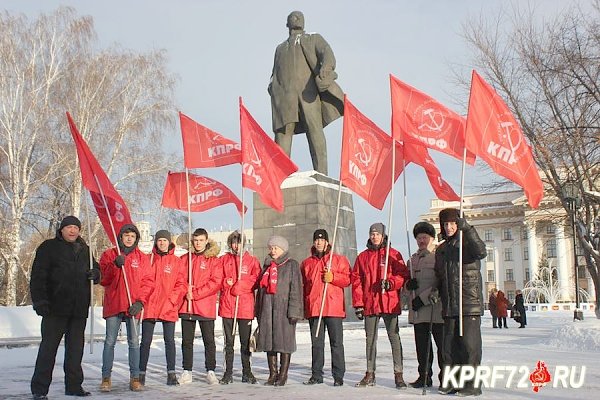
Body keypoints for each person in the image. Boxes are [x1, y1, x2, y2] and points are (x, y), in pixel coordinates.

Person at [30, 216, 100, 400]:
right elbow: (38, 276)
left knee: (75, 350)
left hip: (78, 309)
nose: (72, 231)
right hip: (55, 307)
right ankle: (39, 389)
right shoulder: (49, 247)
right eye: (69, 227)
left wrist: (96, 274)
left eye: (76, 228)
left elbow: (97, 270)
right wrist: (40, 302)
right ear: (61, 229)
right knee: (48, 349)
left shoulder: (85, 250)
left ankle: (74, 386)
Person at [268, 10, 344, 176]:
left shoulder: (313, 38)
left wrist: (326, 68)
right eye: (293, 16)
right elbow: (275, 72)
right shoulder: (280, 49)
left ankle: (322, 173)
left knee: (314, 130)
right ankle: (279, 177)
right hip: (284, 98)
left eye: (299, 16)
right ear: (287, 24)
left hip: (308, 94)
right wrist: (272, 88)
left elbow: (327, 53)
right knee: (282, 136)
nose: (297, 18)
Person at [351, 223, 410, 389]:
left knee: (394, 337)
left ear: (383, 236)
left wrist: (391, 283)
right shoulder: (362, 257)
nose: (374, 236)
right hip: (370, 303)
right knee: (370, 339)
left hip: (389, 302)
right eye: (372, 234)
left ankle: (398, 374)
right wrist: (358, 304)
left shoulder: (393, 254)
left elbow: (403, 275)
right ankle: (370, 373)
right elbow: (357, 281)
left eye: (377, 234)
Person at [434, 208, 486, 397]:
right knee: (450, 347)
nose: (449, 227)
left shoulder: (467, 243)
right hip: (450, 305)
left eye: (452, 224)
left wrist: (469, 229)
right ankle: (453, 382)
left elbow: (481, 252)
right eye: (445, 224)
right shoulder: (442, 249)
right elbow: (440, 276)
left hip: (468, 303)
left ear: (458, 224)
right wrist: (435, 291)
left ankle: (472, 384)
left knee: (469, 346)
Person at [99, 223, 154, 392]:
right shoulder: (110, 254)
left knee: (134, 342)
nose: (129, 239)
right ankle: (106, 377)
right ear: (120, 237)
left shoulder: (142, 258)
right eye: (126, 236)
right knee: (110, 341)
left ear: (136, 238)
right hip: (114, 303)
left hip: (133, 305)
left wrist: (140, 302)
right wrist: (114, 265)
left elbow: (148, 282)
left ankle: (135, 377)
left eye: (132, 236)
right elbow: (103, 279)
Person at [300, 229, 351, 387]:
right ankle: (316, 374)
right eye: (316, 240)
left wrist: (334, 277)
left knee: (336, 343)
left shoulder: (338, 260)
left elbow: (348, 279)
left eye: (322, 240)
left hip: (333, 307)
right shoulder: (307, 263)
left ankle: (338, 375)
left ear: (327, 242)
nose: (319, 243)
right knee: (317, 344)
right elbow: (304, 285)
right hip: (315, 308)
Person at [139, 230, 186, 386]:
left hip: (168, 306)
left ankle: (171, 374)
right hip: (150, 305)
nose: (162, 243)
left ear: (169, 242)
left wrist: (172, 301)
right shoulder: (148, 259)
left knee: (169, 341)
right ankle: (141, 373)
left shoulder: (176, 261)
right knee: (145, 341)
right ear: (156, 242)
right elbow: (142, 281)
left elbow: (181, 285)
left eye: (164, 240)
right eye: (159, 240)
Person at [255, 235, 303, 387]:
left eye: (275, 248)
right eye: (271, 248)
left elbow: (295, 289)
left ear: (283, 249)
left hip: (284, 310)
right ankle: (272, 373)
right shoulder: (267, 266)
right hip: (268, 310)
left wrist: (294, 311)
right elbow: (261, 290)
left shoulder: (291, 265)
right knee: (269, 343)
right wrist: (258, 310)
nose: (273, 250)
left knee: (284, 343)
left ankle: (283, 374)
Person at [178, 228, 222, 385]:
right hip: (187, 306)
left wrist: (195, 293)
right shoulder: (185, 259)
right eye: (195, 240)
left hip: (205, 306)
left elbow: (215, 282)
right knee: (187, 340)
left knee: (208, 340)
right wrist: (186, 289)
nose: (198, 243)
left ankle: (210, 370)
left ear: (206, 241)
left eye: (201, 240)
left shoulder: (214, 260)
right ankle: (186, 371)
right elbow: (179, 277)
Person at [218, 231, 261, 385]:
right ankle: (227, 372)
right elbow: (217, 278)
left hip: (245, 307)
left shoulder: (252, 261)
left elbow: (256, 279)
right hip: (228, 306)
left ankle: (246, 371)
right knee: (228, 341)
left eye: (238, 242)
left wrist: (240, 285)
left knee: (245, 342)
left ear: (243, 243)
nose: (236, 245)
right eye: (233, 242)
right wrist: (226, 283)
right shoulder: (224, 260)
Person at [404, 222, 444, 389]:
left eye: (425, 237)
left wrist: (424, 298)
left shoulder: (438, 257)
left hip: (435, 310)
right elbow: (405, 289)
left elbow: (440, 282)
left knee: (442, 348)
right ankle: (424, 376)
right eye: (419, 238)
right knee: (422, 348)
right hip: (418, 313)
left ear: (431, 239)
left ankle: (446, 378)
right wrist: (408, 285)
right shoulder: (411, 260)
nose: (422, 240)